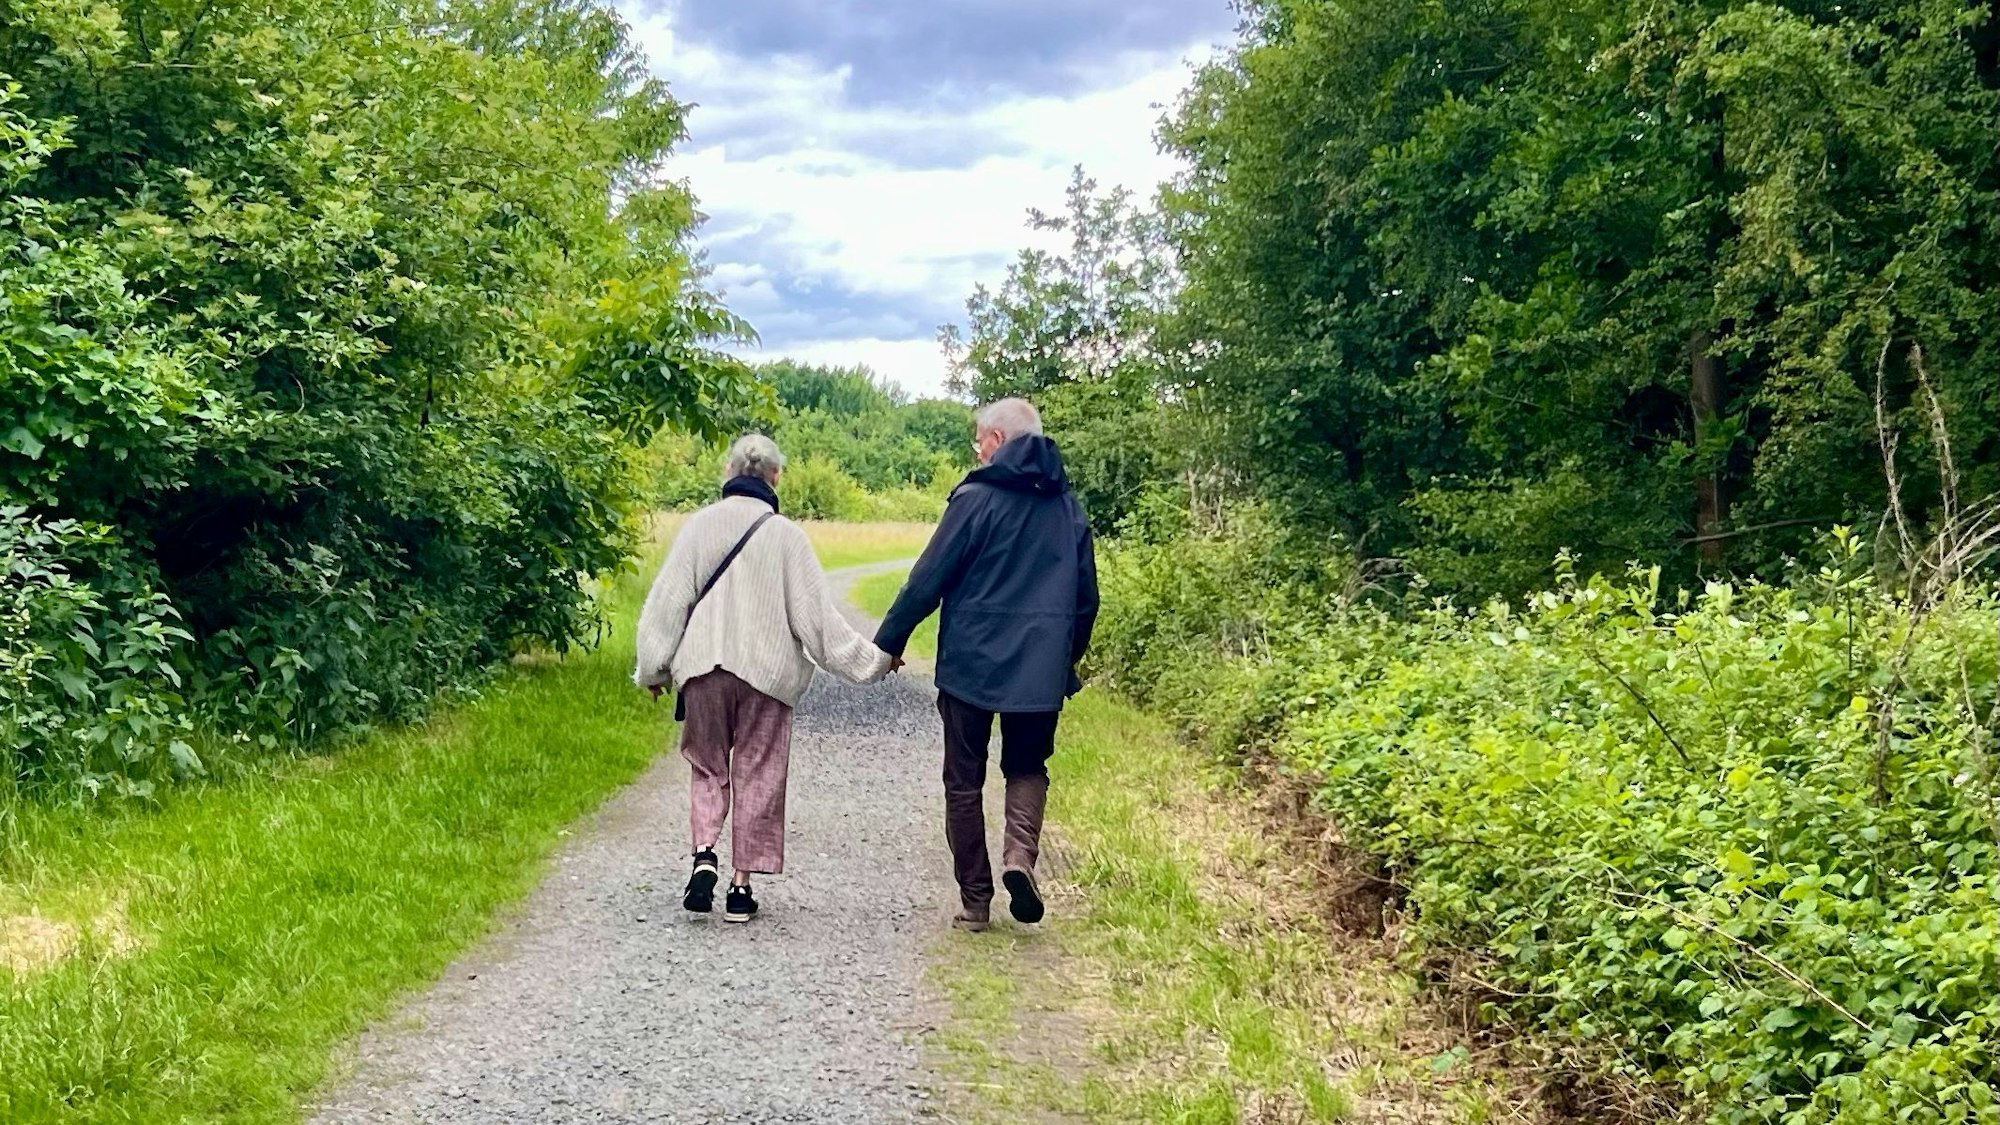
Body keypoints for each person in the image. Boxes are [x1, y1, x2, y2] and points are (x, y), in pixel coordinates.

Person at [634, 434, 893, 924]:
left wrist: (653, 668)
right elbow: (818, 623)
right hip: (766, 677)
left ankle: (704, 853)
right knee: (759, 770)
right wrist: (873, 661)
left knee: (708, 766)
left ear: (729, 472)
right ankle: (739, 887)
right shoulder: (787, 537)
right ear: (775, 477)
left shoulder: (698, 528)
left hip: (704, 671)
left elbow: (667, 604)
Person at [874, 398, 1098, 932]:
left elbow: (929, 579)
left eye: (979, 439)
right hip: (1039, 669)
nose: (977, 449)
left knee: (963, 780)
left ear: (998, 440)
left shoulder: (975, 499)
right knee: (1027, 767)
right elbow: (1087, 600)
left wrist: (890, 640)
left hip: (970, 666)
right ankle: (1019, 859)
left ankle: (976, 901)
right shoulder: (1068, 509)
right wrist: (1063, 658)